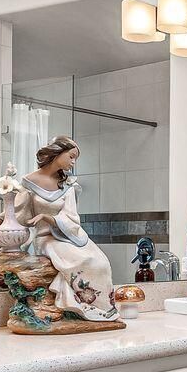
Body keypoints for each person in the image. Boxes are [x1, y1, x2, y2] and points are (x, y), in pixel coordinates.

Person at [20, 136, 117, 322]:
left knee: (100, 262)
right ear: (58, 152)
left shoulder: (68, 185)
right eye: (71, 157)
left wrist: (47, 217)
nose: (73, 162)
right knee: (82, 261)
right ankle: (83, 305)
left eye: (75, 159)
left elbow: (71, 217)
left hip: (70, 235)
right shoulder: (29, 182)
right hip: (47, 239)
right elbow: (19, 213)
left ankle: (103, 308)